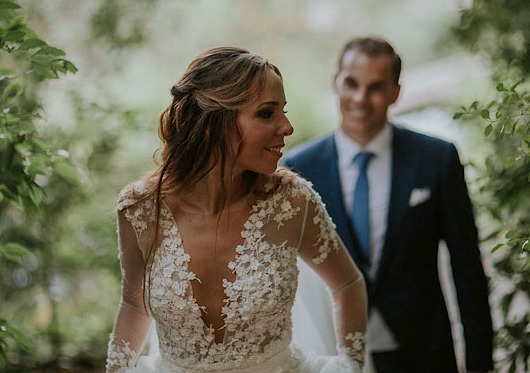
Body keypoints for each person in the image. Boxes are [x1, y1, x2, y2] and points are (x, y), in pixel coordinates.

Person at [106, 46, 368, 373]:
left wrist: (351, 364)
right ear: (212, 123)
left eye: (282, 111)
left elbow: (347, 284)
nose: (287, 127)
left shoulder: (292, 201)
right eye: (266, 113)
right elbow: (134, 303)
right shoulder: (140, 209)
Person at [283, 37, 493, 372]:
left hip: (423, 351)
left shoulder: (436, 159)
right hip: (335, 352)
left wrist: (480, 364)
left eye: (376, 87)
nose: (360, 99)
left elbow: (467, 272)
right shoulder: (298, 166)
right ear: (336, 82)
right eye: (351, 83)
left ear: (396, 92)